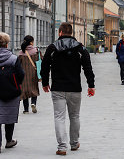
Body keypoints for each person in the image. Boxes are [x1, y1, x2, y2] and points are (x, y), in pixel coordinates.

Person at [41, 22, 95, 156]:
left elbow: (44, 67)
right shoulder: (80, 49)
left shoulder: (52, 48)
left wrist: (45, 83)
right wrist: (91, 85)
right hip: (75, 88)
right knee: (75, 116)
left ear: (60, 32)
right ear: (71, 33)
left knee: (59, 117)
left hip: (58, 88)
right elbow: (88, 68)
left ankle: (62, 147)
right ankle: (74, 143)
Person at [0, 32, 24, 154]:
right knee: (9, 114)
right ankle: (9, 140)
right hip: (10, 89)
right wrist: (15, 84)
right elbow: (21, 74)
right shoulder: (13, 58)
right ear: (7, 44)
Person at [18, 35, 40, 114]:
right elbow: (41, 61)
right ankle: (33, 103)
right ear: (31, 42)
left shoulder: (21, 53)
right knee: (34, 89)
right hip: (33, 74)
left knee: (24, 91)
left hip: (23, 75)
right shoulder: (36, 51)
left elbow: (17, 65)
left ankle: (26, 109)